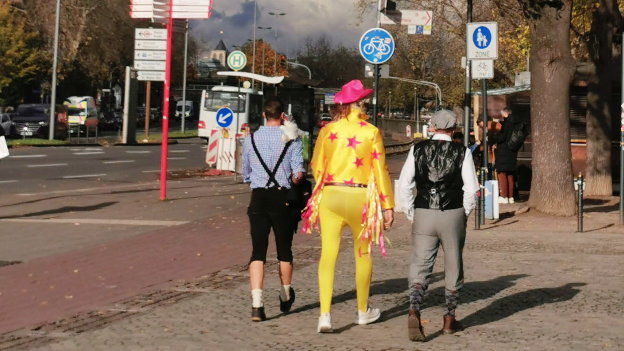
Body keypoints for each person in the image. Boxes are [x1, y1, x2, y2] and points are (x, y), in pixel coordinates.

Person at [301, 80, 394, 333]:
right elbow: (380, 170)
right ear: (359, 103)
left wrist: (326, 185)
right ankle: (362, 311)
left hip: (331, 195)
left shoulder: (326, 130)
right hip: (359, 198)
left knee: (327, 255)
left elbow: (316, 166)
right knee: (362, 255)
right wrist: (387, 205)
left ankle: (324, 316)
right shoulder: (371, 131)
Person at [396, 109, 479, 342]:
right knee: (453, 262)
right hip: (452, 211)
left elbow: (404, 184)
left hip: (424, 210)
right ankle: (449, 318)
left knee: (420, 263)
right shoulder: (462, 152)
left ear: (432, 126)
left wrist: (410, 210)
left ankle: (414, 309)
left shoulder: (417, 149)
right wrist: (464, 212)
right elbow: (471, 189)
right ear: (454, 129)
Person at [242, 98, 305, 322]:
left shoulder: (250, 140)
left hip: (258, 199)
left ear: (263, 116)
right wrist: (294, 177)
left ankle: (257, 305)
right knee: (284, 250)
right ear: (282, 117)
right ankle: (286, 293)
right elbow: (298, 173)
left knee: (257, 252)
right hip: (282, 199)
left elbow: (245, 173)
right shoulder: (292, 139)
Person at [494, 108, 526, 204]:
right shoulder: (517, 122)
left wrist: (496, 137)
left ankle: (504, 196)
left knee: (502, 173)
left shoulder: (507, 123)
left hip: (504, 151)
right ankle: (510, 197)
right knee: (510, 174)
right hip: (513, 151)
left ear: (504, 113)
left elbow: (502, 137)